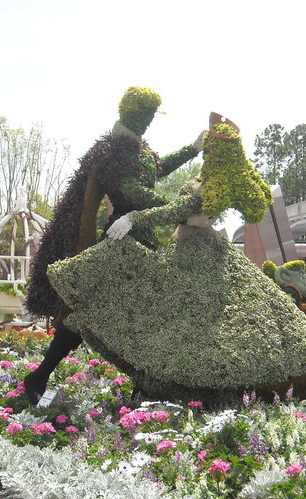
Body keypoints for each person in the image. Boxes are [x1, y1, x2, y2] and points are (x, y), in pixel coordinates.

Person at [47, 116, 306, 404]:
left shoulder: (204, 186)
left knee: (179, 319)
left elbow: (180, 210)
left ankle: (185, 385)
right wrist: (191, 149)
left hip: (192, 255)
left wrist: (134, 217)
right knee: (197, 320)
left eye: (210, 145)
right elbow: (176, 193)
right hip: (213, 252)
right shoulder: (218, 183)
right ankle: (172, 385)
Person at [23, 86, 203, 404]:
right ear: (131, 113)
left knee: (142, 314)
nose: (147, 121)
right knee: (97, 314)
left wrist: (192, 148)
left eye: (151, 115)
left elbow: (154, 170)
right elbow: (133, 190)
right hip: (121, 241)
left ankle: (141, 385)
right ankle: (41, 376)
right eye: (144, 114)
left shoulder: (139, 150)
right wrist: (181, 205)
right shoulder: (113, 151)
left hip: (142, 242)